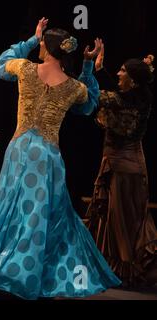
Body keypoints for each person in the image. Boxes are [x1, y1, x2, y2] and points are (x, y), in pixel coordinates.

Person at [0, 18, 121, 299]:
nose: (40, 46)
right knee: (40, 215)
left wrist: (30, 39)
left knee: (7, 209)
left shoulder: (26, 68)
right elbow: (89, 104)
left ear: (48, 46)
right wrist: (89, 66)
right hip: (47, 156)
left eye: (42, 43)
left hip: (20, 151)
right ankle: (27, 273)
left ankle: (5, 272)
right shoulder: (72, 87)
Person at [86, 44, 157, 287]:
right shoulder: (137, 97)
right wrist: (101, 69)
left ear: (134, 80)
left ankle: (127, 272)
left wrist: (89, 68)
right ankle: (118, 270)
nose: (118, 73)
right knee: (121, 219)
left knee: (123, 222)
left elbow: (94, 96)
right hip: (128, 165)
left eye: (122, 71)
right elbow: (122, 91)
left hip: (125, 169)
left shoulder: (123, 104)